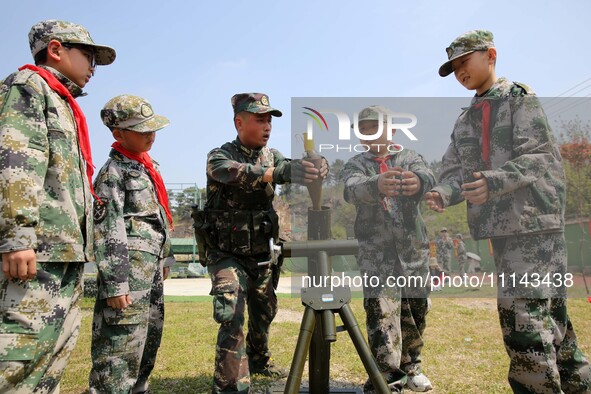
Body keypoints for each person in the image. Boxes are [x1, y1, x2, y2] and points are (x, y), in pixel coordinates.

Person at [426, 29, 590, 393]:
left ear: (491, 55)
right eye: (453, 68)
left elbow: (539, 155)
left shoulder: (519, 99)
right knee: (549, 316)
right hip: (502, 229)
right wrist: (442, 191)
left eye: (464, 62)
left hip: (533, 224)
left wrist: (494, 181)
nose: (460, 73)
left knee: (524, 324)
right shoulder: (465, 118)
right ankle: (578, 384)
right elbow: (454, 171)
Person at [0, 20, 115, 393]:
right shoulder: (28, 88)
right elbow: (15, 159)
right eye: (89, 56)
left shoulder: (61, 100)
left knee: (51, 357)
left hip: (63, 252)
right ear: (55, 49)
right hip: (38, 252)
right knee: (18, 358)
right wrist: (17, 237)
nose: (93, 67)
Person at [203, 93, 328, 393]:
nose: (267, 125)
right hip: (226, 254)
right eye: (260, 119)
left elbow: (291, 167)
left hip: (262, 252)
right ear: (239, 122)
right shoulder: (219, 156)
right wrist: (275, 173)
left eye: (269, 119)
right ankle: (231, 386)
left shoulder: (273, 155)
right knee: (231, 313)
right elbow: (236, 173)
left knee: (265, 310)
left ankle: (259, 360)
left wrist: (315, 166)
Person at [342, 105, 434, 393]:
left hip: (412, 250)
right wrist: (376, 184)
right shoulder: (356, 164)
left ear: (391, 130)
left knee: (416, 309)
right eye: (365, 129)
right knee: (381, 312)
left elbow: (428, 176)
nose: (371, 133)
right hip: (377, 252)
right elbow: (350, 189)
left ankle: (412, 367)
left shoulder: (409, 157)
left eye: (376, 127)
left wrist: (418, 181)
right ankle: (386, 376)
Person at [88, 95, 175, 393]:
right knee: (119, 345)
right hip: (127, 274)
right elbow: (108, 226)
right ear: (119, 134)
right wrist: (115, 284)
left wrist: (165, 259)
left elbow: (158, 218)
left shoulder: (148, 168)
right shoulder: (113, 173)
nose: (151, 135)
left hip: (148, 271)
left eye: (153, 129)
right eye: (142, 130)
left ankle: (139, 388)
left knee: (148, 338)